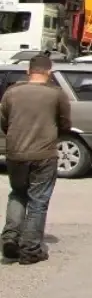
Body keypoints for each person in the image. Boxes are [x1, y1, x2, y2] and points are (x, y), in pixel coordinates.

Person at [1, 54, 71, 265]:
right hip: (43, 154)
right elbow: (65, 124)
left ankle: (10, 237)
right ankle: (30, 248)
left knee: (18, 193)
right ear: (49, 72)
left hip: (15, 153)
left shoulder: (11, 93)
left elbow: (3, 122)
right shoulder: (56, 95)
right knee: (38, 200)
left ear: (28, 71)